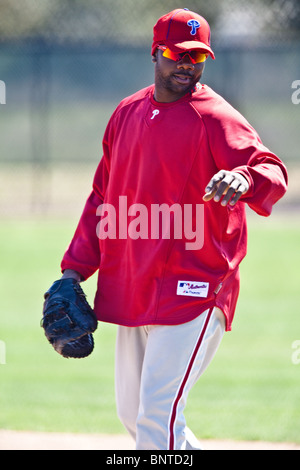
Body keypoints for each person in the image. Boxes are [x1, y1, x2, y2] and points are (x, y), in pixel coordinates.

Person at [59, 9, 288, 450]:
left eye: (197, 56)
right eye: (177, 54)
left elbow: (270, 168)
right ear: (155, 52)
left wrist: (244, 179)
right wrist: (74, 271)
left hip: (195, 288)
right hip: (135, 286)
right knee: (137, 415)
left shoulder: (216, 117)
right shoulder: (126, 114)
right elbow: (102, 198)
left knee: (157, 416)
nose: (187, 64)